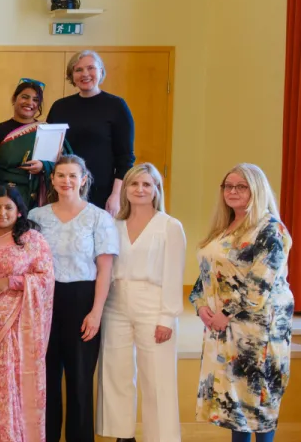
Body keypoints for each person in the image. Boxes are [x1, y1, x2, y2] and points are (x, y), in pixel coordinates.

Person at [190, 164, 293, 442]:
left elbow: (260, 284)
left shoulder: (271, 229)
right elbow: (206, 275)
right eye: (228, 186)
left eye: (241, 186)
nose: (232, 191)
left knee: (257, 406)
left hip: (258, 334)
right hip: (224, 330)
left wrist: (224, 312)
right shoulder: (223, 227)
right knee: (234, 406)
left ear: (256, 189)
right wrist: (201, 306)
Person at [26, 155, 117, 442]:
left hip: (82, 300)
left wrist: (96, 313)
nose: (66, 181)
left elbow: (105, 270)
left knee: (79, 382)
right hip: (45, 301)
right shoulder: (36, 216)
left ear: (83, 179)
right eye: (61, 175)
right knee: (47, 379)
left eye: (72, 176)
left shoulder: (99, 217)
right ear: (52, 179)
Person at [98, 163, 185, 442]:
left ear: (157, 190)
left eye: (147, 184)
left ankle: (161, 437)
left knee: (157, 377)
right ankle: (122, 435)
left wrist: (167, 317)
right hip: (116, 302)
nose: (140, 189)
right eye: (134, 184)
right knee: (116, 372)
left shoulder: (169, 226)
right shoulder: (114, 224)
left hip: (153, 302)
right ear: (126, 189)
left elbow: (174, 273)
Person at [0, 187, 54, 442]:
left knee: (8, 382)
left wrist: (13, 282)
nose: (2, 212)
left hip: (18, 323)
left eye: (8, 207)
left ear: (19, 211)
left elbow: (46, 278)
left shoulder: (32, 240)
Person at [46, 50, 136, 215]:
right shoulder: (59, 107)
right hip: (65, 190)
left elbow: (126, 158)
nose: (85, 74)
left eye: (91, 68)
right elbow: (49, 152)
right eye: (78, 70)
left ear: (101, 71)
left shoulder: (116, 106)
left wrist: (116, 195)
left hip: (103, 192)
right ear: (71, 75)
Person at [0, 79, 65, 208]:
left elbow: (63, 164)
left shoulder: (47, 130)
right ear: (14, 99)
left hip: (40, 197)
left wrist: (43, 166)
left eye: (35, 100)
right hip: (6, 197)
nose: (30, 103)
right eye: (25, 97)